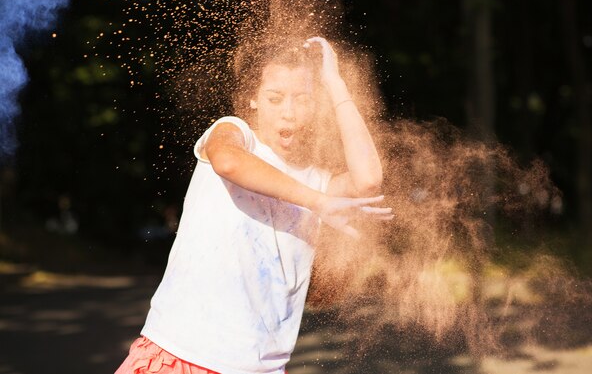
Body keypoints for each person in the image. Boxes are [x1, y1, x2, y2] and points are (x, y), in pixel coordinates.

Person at [114, 36, 392, 374]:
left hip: (260, 367)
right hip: (182, 353)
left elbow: (368, 179)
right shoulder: (235, 133)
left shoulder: (316, 178)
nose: (289, 112)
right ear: (253, 99)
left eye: (302, 99)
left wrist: (335, 84)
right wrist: (319, 203)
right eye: (275, 99)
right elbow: (228, 163)